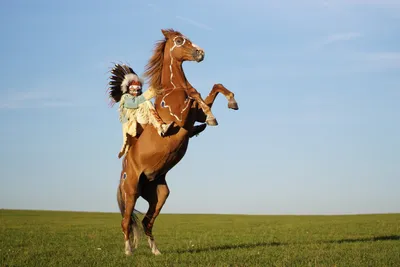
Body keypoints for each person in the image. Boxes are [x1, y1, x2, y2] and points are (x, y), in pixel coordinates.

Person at [118, 75, 173, 158]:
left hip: (145, 121)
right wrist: (152, 91)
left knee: (150, 103)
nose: (136, 92)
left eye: (138, 90)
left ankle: (163, 126)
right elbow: (135, 102)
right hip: (133, 126)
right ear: (128, 89)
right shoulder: (125, 98)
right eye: (133, 90)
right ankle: (160, 127)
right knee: (146, 103)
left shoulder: (141, 98)